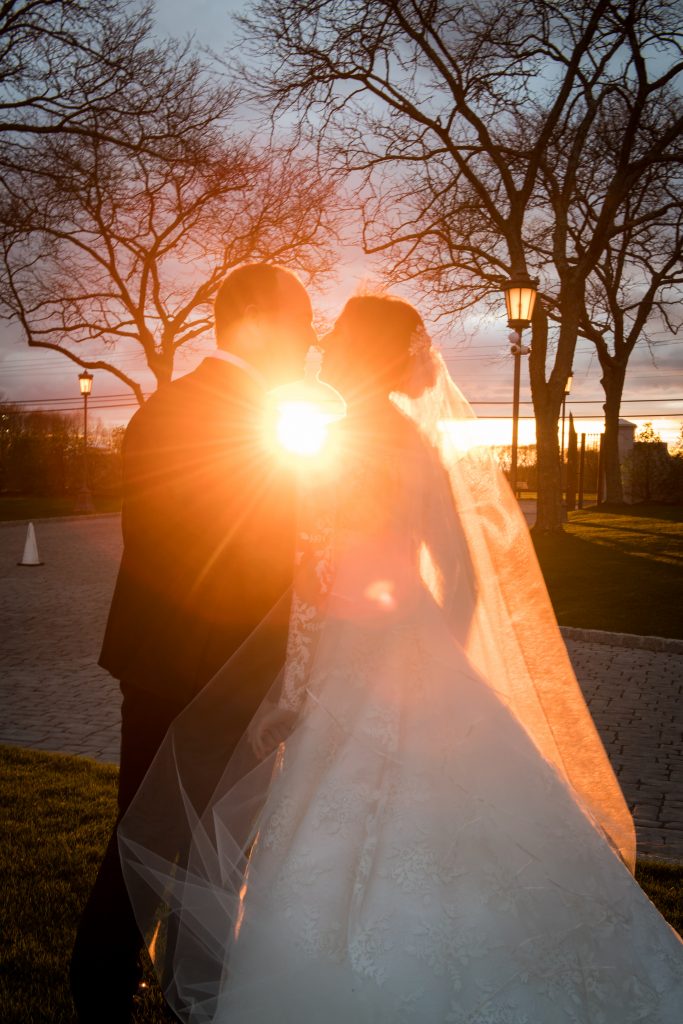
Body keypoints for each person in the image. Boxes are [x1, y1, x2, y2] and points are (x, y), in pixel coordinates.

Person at [118, 295, 683, 1023]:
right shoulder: (417, 445)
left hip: (351, 667)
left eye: (334, 343)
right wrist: (438, 662)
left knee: (327, 819)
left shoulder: (338, 445)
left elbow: (314, 584)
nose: (320, 352)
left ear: (356, 354)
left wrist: (292, 693)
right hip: (424, 659)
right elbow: (465, 581)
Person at [70, 263, 316, 1023]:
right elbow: (198, 550)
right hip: (198, 669)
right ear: (259, 325)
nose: (306, 347)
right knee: (154, 834)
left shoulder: (194, 404)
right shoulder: (223, 414)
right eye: (301, 329)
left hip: (182, 662)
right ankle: (106, 978)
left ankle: (177, 979)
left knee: (196, 839)